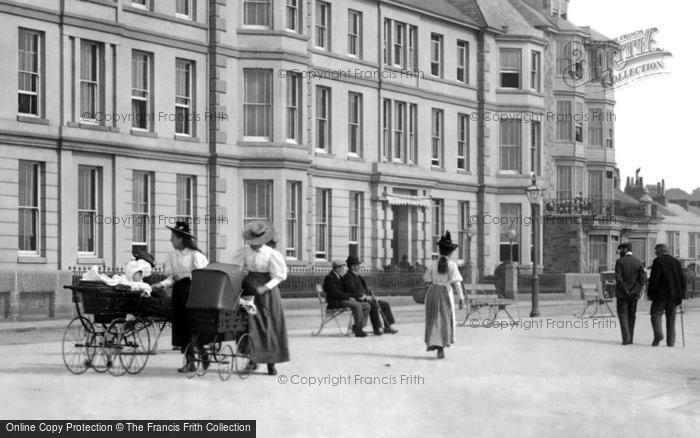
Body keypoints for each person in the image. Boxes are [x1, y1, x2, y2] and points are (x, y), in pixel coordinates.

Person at [232, 220, 290, 376]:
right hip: (249, 289)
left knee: (268, 325)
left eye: (256, 242)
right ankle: (252, 360)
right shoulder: (245, 251)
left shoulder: (272, 254)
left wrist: (265, 288)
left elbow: (279, 276)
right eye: (251, 241)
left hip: (267, 293)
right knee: (247, 324)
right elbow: (236, 267)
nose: (253, 244)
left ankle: (271, 362)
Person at [151, 221, 208, 372]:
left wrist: (183, 275)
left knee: (193, 325)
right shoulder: (171, 256)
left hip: (194, 292)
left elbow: (203, 276)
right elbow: (171, 278)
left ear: (181, 238)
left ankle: (201, 351)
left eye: (173, 237)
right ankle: (190, 361)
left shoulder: (195, 255)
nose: (171, 240)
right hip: (179, 293)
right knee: (181, 327)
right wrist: (160, 285)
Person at [423, 231, 464, 359]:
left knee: (434, 318)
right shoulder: (452, 265)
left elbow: (426, 279)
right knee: (445, 319)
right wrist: (461, 298)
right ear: (450, 252)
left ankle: (435, 343)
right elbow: (456, 283)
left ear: (440, 251)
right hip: (446, 293)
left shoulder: (433, 264)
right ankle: (442, 345)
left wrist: (432, 281)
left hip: (433, 292)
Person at [342, 255, 398, 335]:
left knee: (385, 305)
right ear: (352, 266)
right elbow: (352, 291)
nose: (359, 267)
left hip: (365, 298)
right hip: (357, 300)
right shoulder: (348, 277)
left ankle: (387, 327)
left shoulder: (358, 276)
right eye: (358, 265)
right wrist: (364, 296)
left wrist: (370, 294)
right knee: (373, 306)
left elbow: (365, 288)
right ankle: (377, 328)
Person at [647, 243, 687, 347]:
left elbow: (654, 279)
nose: (655, 252)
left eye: (656, 250)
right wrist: (683, 293)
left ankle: (658, 335)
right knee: (671, 318)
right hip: (674, 296)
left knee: (655, 314)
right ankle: (671, 342)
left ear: (660, 250)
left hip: (660, 295)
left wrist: (650, 293)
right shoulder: (676, 262)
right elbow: (682, 279)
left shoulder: (658, 261)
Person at [323, 259, 370, 337]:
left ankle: (357, 327)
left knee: (367, 306)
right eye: (341, 268)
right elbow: (335, 293)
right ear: (336, 268)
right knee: (357, 305)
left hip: (341, 300)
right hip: (336, 302)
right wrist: (348, 297)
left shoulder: (338, 277)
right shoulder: (330, 278)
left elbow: (344, 292)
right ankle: (358, 331)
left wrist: (352, 296)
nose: (343, 270)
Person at [614, 242, 646, 345]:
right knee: (632, 315)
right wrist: (634, 291)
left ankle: (626, 338)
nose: (619, 252)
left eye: (620, 250)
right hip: (634, 295)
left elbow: (619, 279)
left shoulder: (620, 262)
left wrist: (625, 291)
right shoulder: (638, 262)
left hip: (622, 294)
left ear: (625, 249)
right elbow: (642, 280)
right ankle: (630, 338)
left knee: (623, 315)